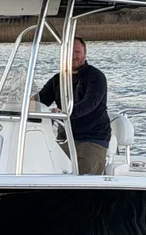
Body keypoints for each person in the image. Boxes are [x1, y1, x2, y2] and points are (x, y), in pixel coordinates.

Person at [35, 37, 111, 175]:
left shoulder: (96, 77)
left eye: (77, 52)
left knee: (84, 181)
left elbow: (90, 103)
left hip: (92, 139)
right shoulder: (57, 79)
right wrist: (26, 104)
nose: (74, 56)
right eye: (70, 52)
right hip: (64, 138)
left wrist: (63, 114)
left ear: (85, 53)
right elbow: (39, 101)